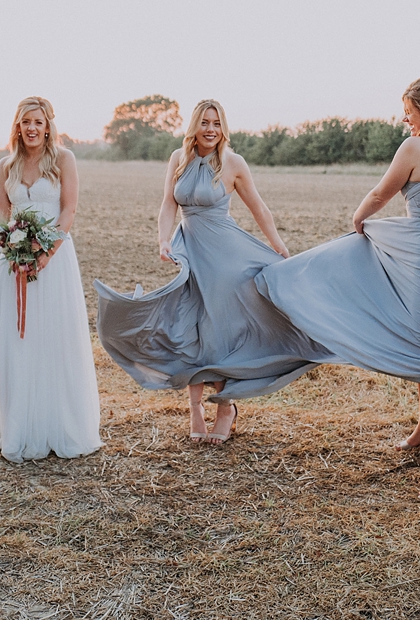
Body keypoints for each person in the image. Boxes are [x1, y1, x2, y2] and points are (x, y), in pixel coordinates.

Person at [256, 77, 420, 501]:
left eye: (408, 110)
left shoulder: (415, 148)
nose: (404, 117)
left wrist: (359, 220)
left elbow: (381, 192)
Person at [95, 99, 338, 445]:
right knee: (191, 331)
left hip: (226, 258)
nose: (210, 129)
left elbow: (258, 207)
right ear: (194, 126)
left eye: (216, 123)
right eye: (204, 122)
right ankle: (195, 408)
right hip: (190, 254)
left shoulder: (233, 163)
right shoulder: (179, 159)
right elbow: (168, 202)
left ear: (224, 127)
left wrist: (279, 246)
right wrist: (163, 239)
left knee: (219, 332)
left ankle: (225, 406)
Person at [0, 97, 103, 462]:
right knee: (19, 337)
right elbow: (0, 208)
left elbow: (69, 209)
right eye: (26, 121)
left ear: (48, 125)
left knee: (52, 335)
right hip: (14, 262)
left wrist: (45, 253)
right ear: (17, 126)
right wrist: (7, 239)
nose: (32, 128)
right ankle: (20, 418)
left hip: (54, 260)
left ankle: (57, 420)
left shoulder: (64, 160)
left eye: (38, 121)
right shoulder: (5, 165)